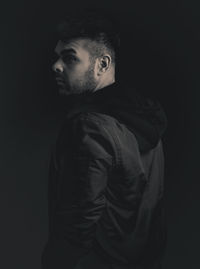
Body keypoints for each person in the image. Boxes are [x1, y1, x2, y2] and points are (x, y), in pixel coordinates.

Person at [41, 9, 167, 269]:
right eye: (57, 57)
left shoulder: (89, 127)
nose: (56, 65)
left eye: (69, 57)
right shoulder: (145, 122)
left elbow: (77, 224)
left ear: (102, 65)